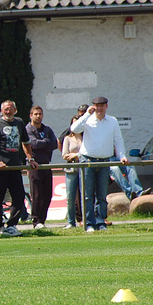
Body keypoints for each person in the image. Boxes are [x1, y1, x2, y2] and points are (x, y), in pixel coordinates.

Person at [71, 96, 128, 232]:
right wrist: (86, 115)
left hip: (104, 161)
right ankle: (89, 223)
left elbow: (118, 140)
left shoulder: (112, 121)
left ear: (106, 106)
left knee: (102, 194)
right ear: (93, 106)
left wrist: (122, 156)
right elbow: (74, 128)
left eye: (102, 105)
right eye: (97, 106)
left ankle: (101, 221)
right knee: (87, 195)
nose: (99, 108)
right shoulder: (87, 119)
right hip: (88, 160)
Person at [0, 100, 39, 237]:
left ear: (15, 110)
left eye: (10, 109)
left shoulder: (19, 122)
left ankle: (12, 225)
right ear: (2, 110)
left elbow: (25, 143)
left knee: (19, 196)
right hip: (0, 170)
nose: (8, 111)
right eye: (5, 109)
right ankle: (0, 226)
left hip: (15, 167)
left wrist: (30, 158)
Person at [26, 106, 57, 229]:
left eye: (40, 114)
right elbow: (33, 143)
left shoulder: (47, 129)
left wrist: (42, 143)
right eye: (35, 114)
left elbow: (54, 144)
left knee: (47, 194)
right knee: (37, 195)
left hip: (46, 164)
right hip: (34, 165)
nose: (38, 116)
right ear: (31, 115)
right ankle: (36, 220)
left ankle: (42, 220)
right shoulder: (28, 129)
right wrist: (46, 142)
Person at [62, 115, 83, 229]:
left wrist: (76, 155)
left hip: (84, 169)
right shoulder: (67, 138)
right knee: (70, 197)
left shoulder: (87, 138)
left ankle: (86, 220)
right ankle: (71, 222)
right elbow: (64, 155)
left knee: (85, 196)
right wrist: (76, 156)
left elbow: (88, 153)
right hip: (71, 170)